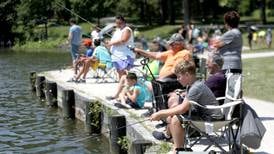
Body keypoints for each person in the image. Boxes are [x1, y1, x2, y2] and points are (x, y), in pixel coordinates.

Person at [150, 60, 223, 154]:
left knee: (176, 118)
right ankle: (175, 143)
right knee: (172, 116)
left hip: (212, 120)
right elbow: (183, 106)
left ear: (187, 75)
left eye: (179, 76)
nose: (177, 79)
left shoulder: (196, 87)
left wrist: (160, 113)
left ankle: (177, 149)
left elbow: (182, 109)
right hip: (203, 115)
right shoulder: (192, 85)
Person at [106, 16, 135, 80]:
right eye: (116, 23)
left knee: (124, 72)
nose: (118, 24)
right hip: (116, 56)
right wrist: (110, 42)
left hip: (125, 55)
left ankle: (126, 87)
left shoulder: (127, 29)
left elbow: (123, 40)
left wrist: (111, 43)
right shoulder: (118, 30)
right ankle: (122, 87)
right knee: (120, 73)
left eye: (119, 23)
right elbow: (115, 40)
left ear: (124, 22)